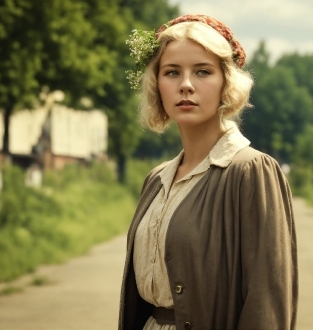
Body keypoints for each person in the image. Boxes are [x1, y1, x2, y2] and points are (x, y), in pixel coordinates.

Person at [119, 14, 298, 330]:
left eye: (202, 71)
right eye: (172, 72)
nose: (186, 85)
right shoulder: (156, 179)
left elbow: (267, 301)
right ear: (157, 84)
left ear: (226, 83)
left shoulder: (251, 171)